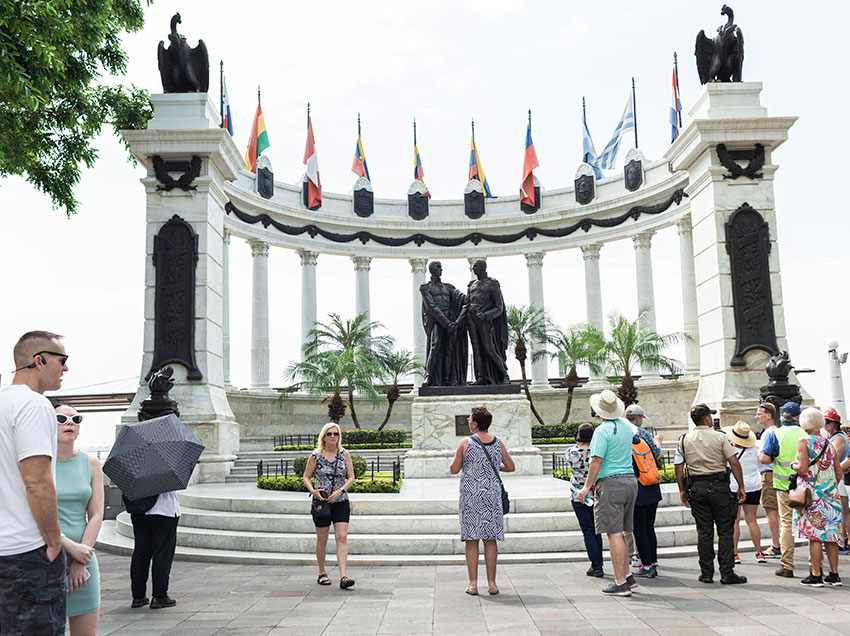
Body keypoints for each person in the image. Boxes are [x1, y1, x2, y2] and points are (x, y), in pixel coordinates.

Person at [0, 331, 71, 634]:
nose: (66, 368)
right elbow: (37, 481)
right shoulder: (34, 405)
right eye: (62, 360)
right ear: (39, 360)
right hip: (26, 554)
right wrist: (54, 541)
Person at [674, 403, 747, 585]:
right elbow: (734, 462)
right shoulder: (720, 437)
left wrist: (682, 489)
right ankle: (727, 572)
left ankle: (706, 572)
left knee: (704, 531)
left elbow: (678, 466)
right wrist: (741, 486)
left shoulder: (684, 439)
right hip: (719, 487)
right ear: (706, 418)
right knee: (725, 530)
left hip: (697, 488)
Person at [575, 390, 639, 597]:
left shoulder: (602, 431)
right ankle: (627, 575)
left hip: (611, 484)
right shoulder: (626, 426)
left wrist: (586, 487)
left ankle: (620, 582)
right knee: (622, 531)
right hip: (630, 481)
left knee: (613, 534)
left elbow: (596, 461)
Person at [450, 406, 516, 595]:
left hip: (471, 496)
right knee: (490, 540)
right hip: (492, 495)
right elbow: (511, 466)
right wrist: (494, 467)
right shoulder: (498, 443)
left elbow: (454, 469)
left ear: (476, 423)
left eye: (470, 419)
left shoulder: (466, 443)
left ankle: (472, 584)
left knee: (471, 540)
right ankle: (492, 583)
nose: (468, 421)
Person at [56, 404, 104, 635]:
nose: (70, 423)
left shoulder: (92, 463)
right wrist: (69, 547)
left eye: (76, 418)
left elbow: (96, 515)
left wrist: (81, 557)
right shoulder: (37, 464)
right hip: (46, 557)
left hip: (84, 558)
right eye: (61, 418)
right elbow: (33, 514)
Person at [303, 422, 356, 590]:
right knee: (322, 539)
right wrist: (313, 490)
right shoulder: (316, 455)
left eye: (336, 434)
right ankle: (322, 572)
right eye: (329, 434)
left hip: (340, 501)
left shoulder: (344, 454)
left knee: (342, 537)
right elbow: (306, 477)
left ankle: (343, 576)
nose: (333, 437)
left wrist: (340, 490)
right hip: (322, 503)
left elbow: (351, 477)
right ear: (324, 437)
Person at [793, 407, 843, 587]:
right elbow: (838, 472)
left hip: (813, 495)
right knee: (831, 536)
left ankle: (815, 574)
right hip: (831, 495)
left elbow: (803, 468)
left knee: (814, 536)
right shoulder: (829, 443)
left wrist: (794, 465)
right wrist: (829, 486)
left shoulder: (804, 441)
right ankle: (834, 574)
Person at [759, 401, 806, 578]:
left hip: (783, 486)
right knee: (811, 524)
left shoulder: (776, 434)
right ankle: (816, 565)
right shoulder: (805, 433)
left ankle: (787, 565)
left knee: (786, 524)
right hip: (805, 486)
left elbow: (764, 459)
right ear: (797, 417)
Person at [624, 404, 662, 578]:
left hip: (638, 490)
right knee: (649, 527)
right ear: (638, 418)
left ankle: (646, 565)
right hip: (652, 486)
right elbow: (657, 454)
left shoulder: (624, 436)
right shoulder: (644, 436)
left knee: (639, 529)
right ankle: (652, 561)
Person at [129, 487, 181, 608]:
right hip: (164, 511)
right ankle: (159, 595)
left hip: (139, 510)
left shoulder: (136, 468)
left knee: (141, 553)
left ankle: (138, 596)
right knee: (162, 555)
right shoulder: (166, 468)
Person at [725, 421, 765, 564]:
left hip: (735, 486)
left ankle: (735, 553)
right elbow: (761, 465)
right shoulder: (756, 448)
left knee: (734, 521)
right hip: (754, 485)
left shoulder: (730, 450)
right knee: (752, 520)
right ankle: (759, 552)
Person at [566, 423, 603, 577]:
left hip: (578, 495)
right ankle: (598, 564)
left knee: (587, 531)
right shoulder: (596, 451)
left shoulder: (570, 452)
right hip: (596, 493)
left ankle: (596, 565)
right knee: (597, 531)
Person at [754, 402, 781, 558]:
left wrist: (758, 453)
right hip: (777, 474)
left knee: (771, 510)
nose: (756, 416)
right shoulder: (776, 431)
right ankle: (781, 543)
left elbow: (765, 458)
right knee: (779, 511)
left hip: (769, 474)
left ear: (769, 415)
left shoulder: (768, 433)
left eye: (759, 414)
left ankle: (776, 545)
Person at [823, 408, 850, 555]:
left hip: (837, 479)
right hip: (837, 479)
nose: (824, 426)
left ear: (832, 424)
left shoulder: (838, 439)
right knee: (843, 511)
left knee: (841, 512)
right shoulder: (836, 437)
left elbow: (833, 459)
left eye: (826, 422)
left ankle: (842, 541)